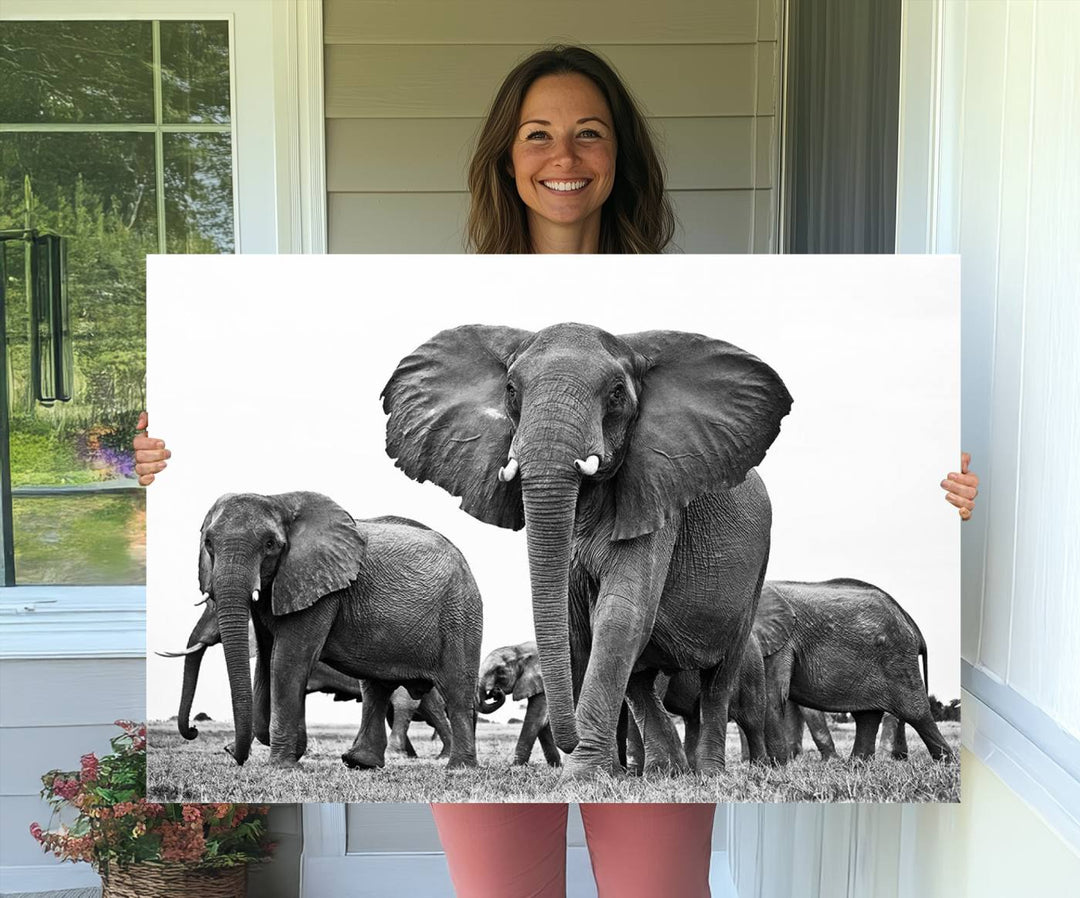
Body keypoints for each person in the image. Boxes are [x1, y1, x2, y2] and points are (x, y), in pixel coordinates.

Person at [134, 45, 978, 898]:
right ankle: (587, 742)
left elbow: (626, 603)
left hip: (669, 598)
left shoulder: (687, 308)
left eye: (590, 134)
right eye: (537, 135)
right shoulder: (445, 301)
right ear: (507, 156)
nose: (563, 158)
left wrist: (957, 496)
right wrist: (151, 466)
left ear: (621, 157)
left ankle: (595, 745)